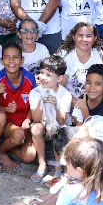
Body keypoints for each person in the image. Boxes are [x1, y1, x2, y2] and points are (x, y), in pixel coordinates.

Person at [25, 115, 103, 205]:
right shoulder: (87, 126)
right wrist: (61, 180)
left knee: (85, 173)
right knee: (80, 171)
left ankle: (54, 201)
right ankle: (55, 197)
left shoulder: (102, 137)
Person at [0, 41, 37, 171]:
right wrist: (6, 109)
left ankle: (8, 147)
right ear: (1, 61)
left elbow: (34, 103)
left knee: (29, 156)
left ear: (22, 60)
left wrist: (28, 119)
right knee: (18, 135)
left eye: (15, 57)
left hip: (23, 124)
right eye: (7, 57)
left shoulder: (29, 77)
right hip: (6, 123)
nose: (11, 61)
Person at [29, 55, 72, 183]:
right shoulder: (35, 92)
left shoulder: (65, 94)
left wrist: (56, 104)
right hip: (43, 125)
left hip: (59, 128)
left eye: (48, 75)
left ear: (59, 78)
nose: (43, 77)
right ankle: (42, 164)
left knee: (56, 129)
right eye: (41, 73)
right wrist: (41, 102)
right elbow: (36, 119)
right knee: (36, 128)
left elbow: (61, 121)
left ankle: (58, 168)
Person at [57, 22, 103, 100]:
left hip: (93, 101)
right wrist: (77, 104)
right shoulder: (66, 55)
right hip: (68, 100)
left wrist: (100, 104)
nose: (84, 39)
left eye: (89, 36)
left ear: (95, 38)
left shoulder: (99, 54)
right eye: (80, 35)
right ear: (73, 37)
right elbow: (60, 86)